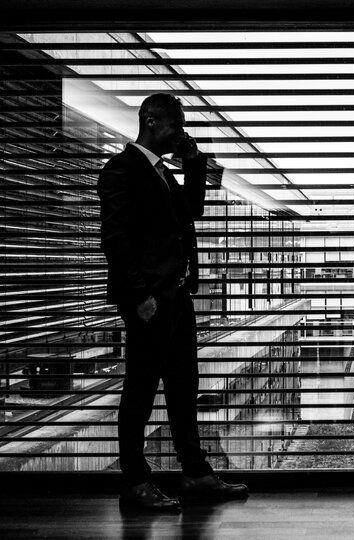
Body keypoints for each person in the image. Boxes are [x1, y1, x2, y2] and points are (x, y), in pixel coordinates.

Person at [97, 93, 247, 512]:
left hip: (176, 298)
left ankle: (195, 473)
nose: (181, 133)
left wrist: (193, 157)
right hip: (150, 302)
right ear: (152, 120)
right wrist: (139, 297)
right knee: (141, 392)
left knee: (184, 388)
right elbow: (115, 240)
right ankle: (135, 482)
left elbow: (193, 210)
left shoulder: (162, 172)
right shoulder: (121, 170)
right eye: (177, 126)